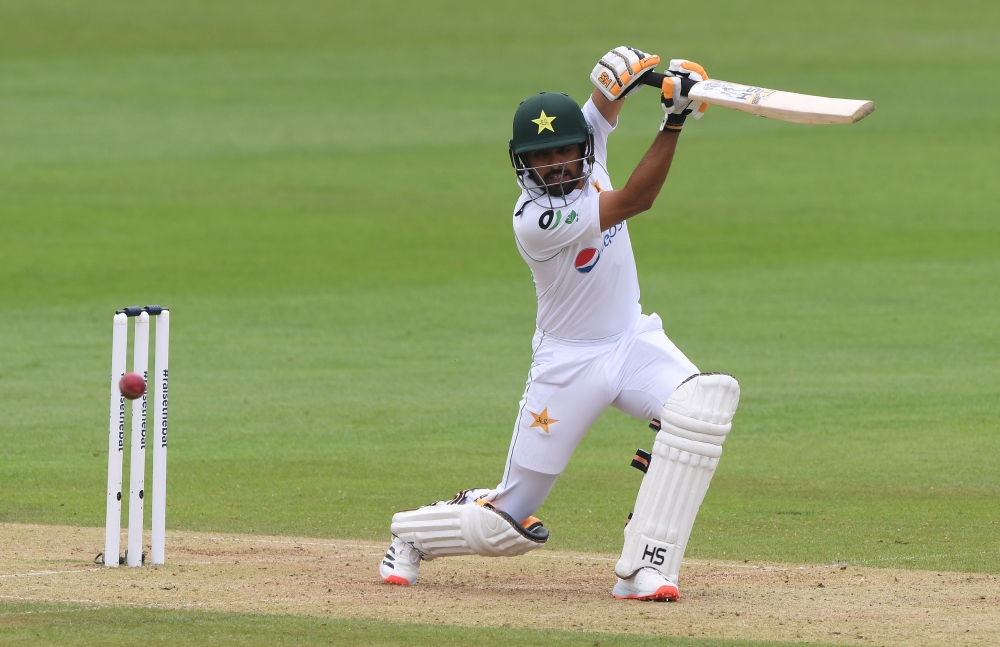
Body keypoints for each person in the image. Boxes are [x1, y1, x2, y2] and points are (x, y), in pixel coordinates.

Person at [379, 47, 740, 601]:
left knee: (700, 408)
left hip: (631, 341)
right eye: (541, 157)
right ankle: (412, 534)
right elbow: (636, 199)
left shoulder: (589, 150)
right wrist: (674, 119)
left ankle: (646, 566)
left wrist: (642, 75)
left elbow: (603, 102)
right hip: (568, 363)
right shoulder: (536, 219)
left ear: (583, 148)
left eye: (566, 151)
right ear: (521, 163)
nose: (556, 166)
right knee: (508, 519)